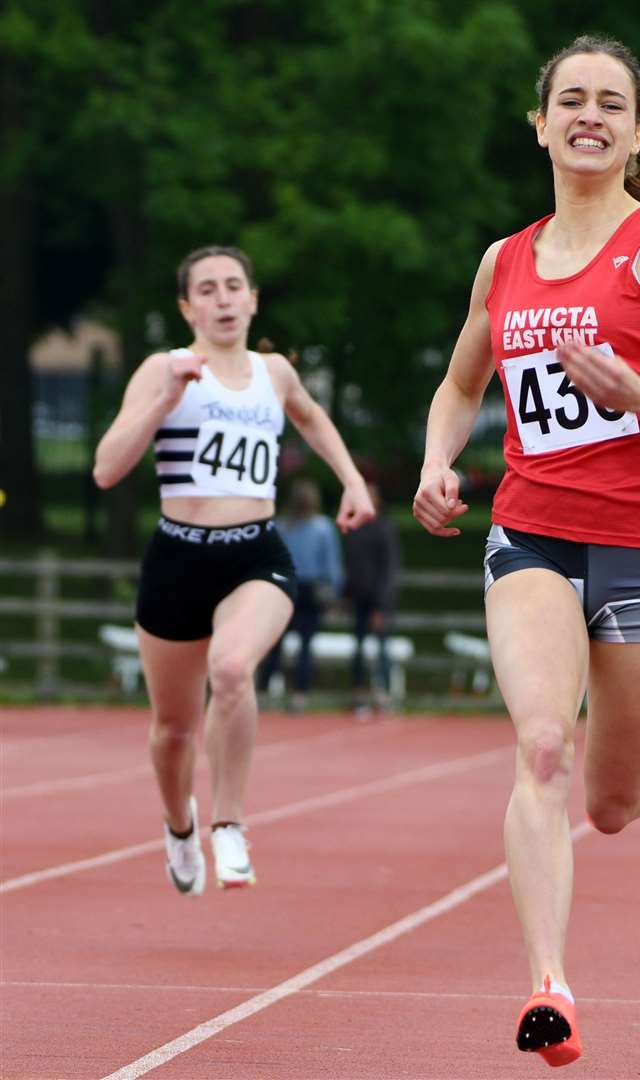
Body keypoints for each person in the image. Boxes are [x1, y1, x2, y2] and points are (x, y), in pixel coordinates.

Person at [412, 35, 640, 1066]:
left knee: (608, 804)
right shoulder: (506, 259)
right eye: (571, 99)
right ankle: (550, 988)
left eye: (611, 103)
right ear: (540, 123)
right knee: (539, 746)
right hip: (531, 530)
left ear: (637, 129)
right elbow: (460, 383)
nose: (590, 115)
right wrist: (439, 460)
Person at [93, 245, 374, 895]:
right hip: (177, 558)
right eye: (208, 290)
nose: (223, 299)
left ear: (252, 298)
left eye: (233, 287)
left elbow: (309, 415)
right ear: (188, 307)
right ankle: (179, 827)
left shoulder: (273, 372)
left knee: (232, 669)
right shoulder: (165, 369)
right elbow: (108, 467)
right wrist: (164, 398)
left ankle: (228, 823)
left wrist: (352, 482)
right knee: (173, 730)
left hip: (255, 554)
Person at [258, 477, 345, 711]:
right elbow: (332, 565)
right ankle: (299, 693)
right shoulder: (322, 527)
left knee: (274, 642)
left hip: (285, 586)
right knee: (305, 644)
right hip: (310, 589)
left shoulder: (282, 525)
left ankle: (264, 690)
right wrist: (334, 593)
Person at [343, 480, 401, 715]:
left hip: (379, 599)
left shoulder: (384, 528)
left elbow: (390, 568)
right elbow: (350, 564)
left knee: (382, 648)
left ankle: (383, 693)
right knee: (357, 648)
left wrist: (381, 604)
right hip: (358, 598)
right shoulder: (354, 527)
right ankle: (358, 692)